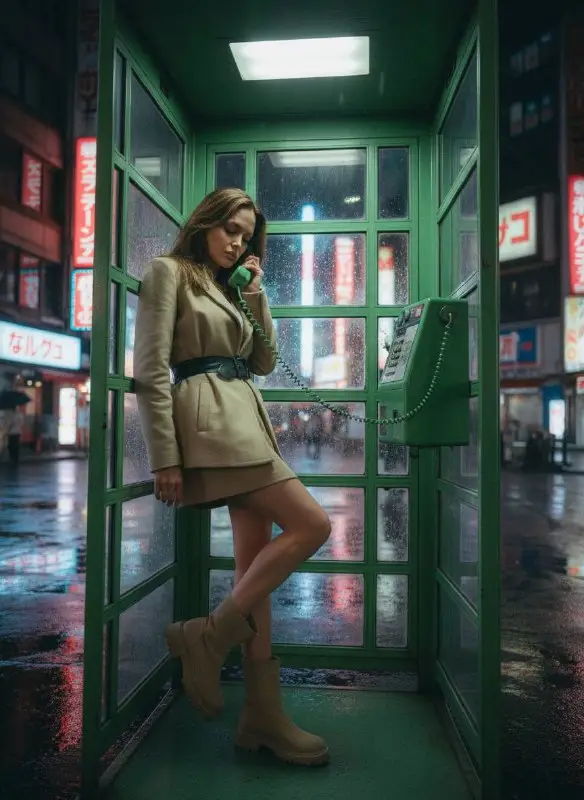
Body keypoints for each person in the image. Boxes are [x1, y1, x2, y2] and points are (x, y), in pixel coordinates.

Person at [134, 188, 331, 766]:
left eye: (247, 236)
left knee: (256, 571)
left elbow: (264, 361)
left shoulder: (232, 287)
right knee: (312, 525)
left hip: (246, 421)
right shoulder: (169, 272)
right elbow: (149, 368)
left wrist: (254, 292)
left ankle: (260, 718)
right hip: (212, 425)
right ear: (206, 223)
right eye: (231, 230)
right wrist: (163, 457)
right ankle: (210, 635)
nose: (238, 242)